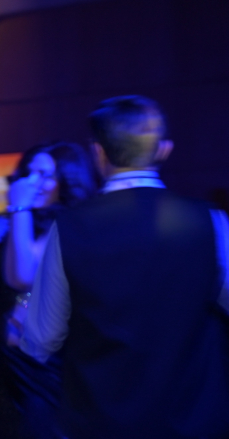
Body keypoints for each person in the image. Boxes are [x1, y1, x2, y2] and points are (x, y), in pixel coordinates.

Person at [21, 95, 229, 439]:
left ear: (98, 153)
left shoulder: (69, 228)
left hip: (98, 422)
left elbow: (41, 340)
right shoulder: (211, 221)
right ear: (163, 150)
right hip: (194, 421)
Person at [0, 142, 96, 439]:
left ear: (67, 180)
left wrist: (19, 207)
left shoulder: (67, 222)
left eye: (45, 175)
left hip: (42, 359)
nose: (31, 182)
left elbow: (23, 276)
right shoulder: (31, 221)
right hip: (6, 349)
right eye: (29, 173)